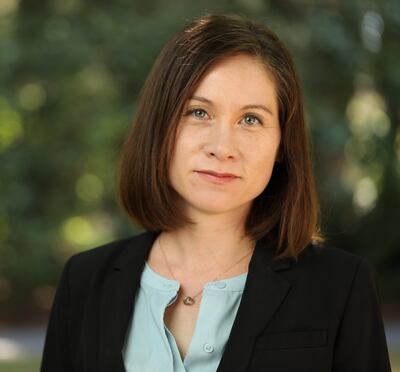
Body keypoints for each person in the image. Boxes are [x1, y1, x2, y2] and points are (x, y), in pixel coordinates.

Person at [40, 13, 392, 372]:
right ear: (160, 126)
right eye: (198, 112)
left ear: (282, 144)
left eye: (251, 119)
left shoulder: (341, 287)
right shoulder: (83, 283)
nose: (222, 147)